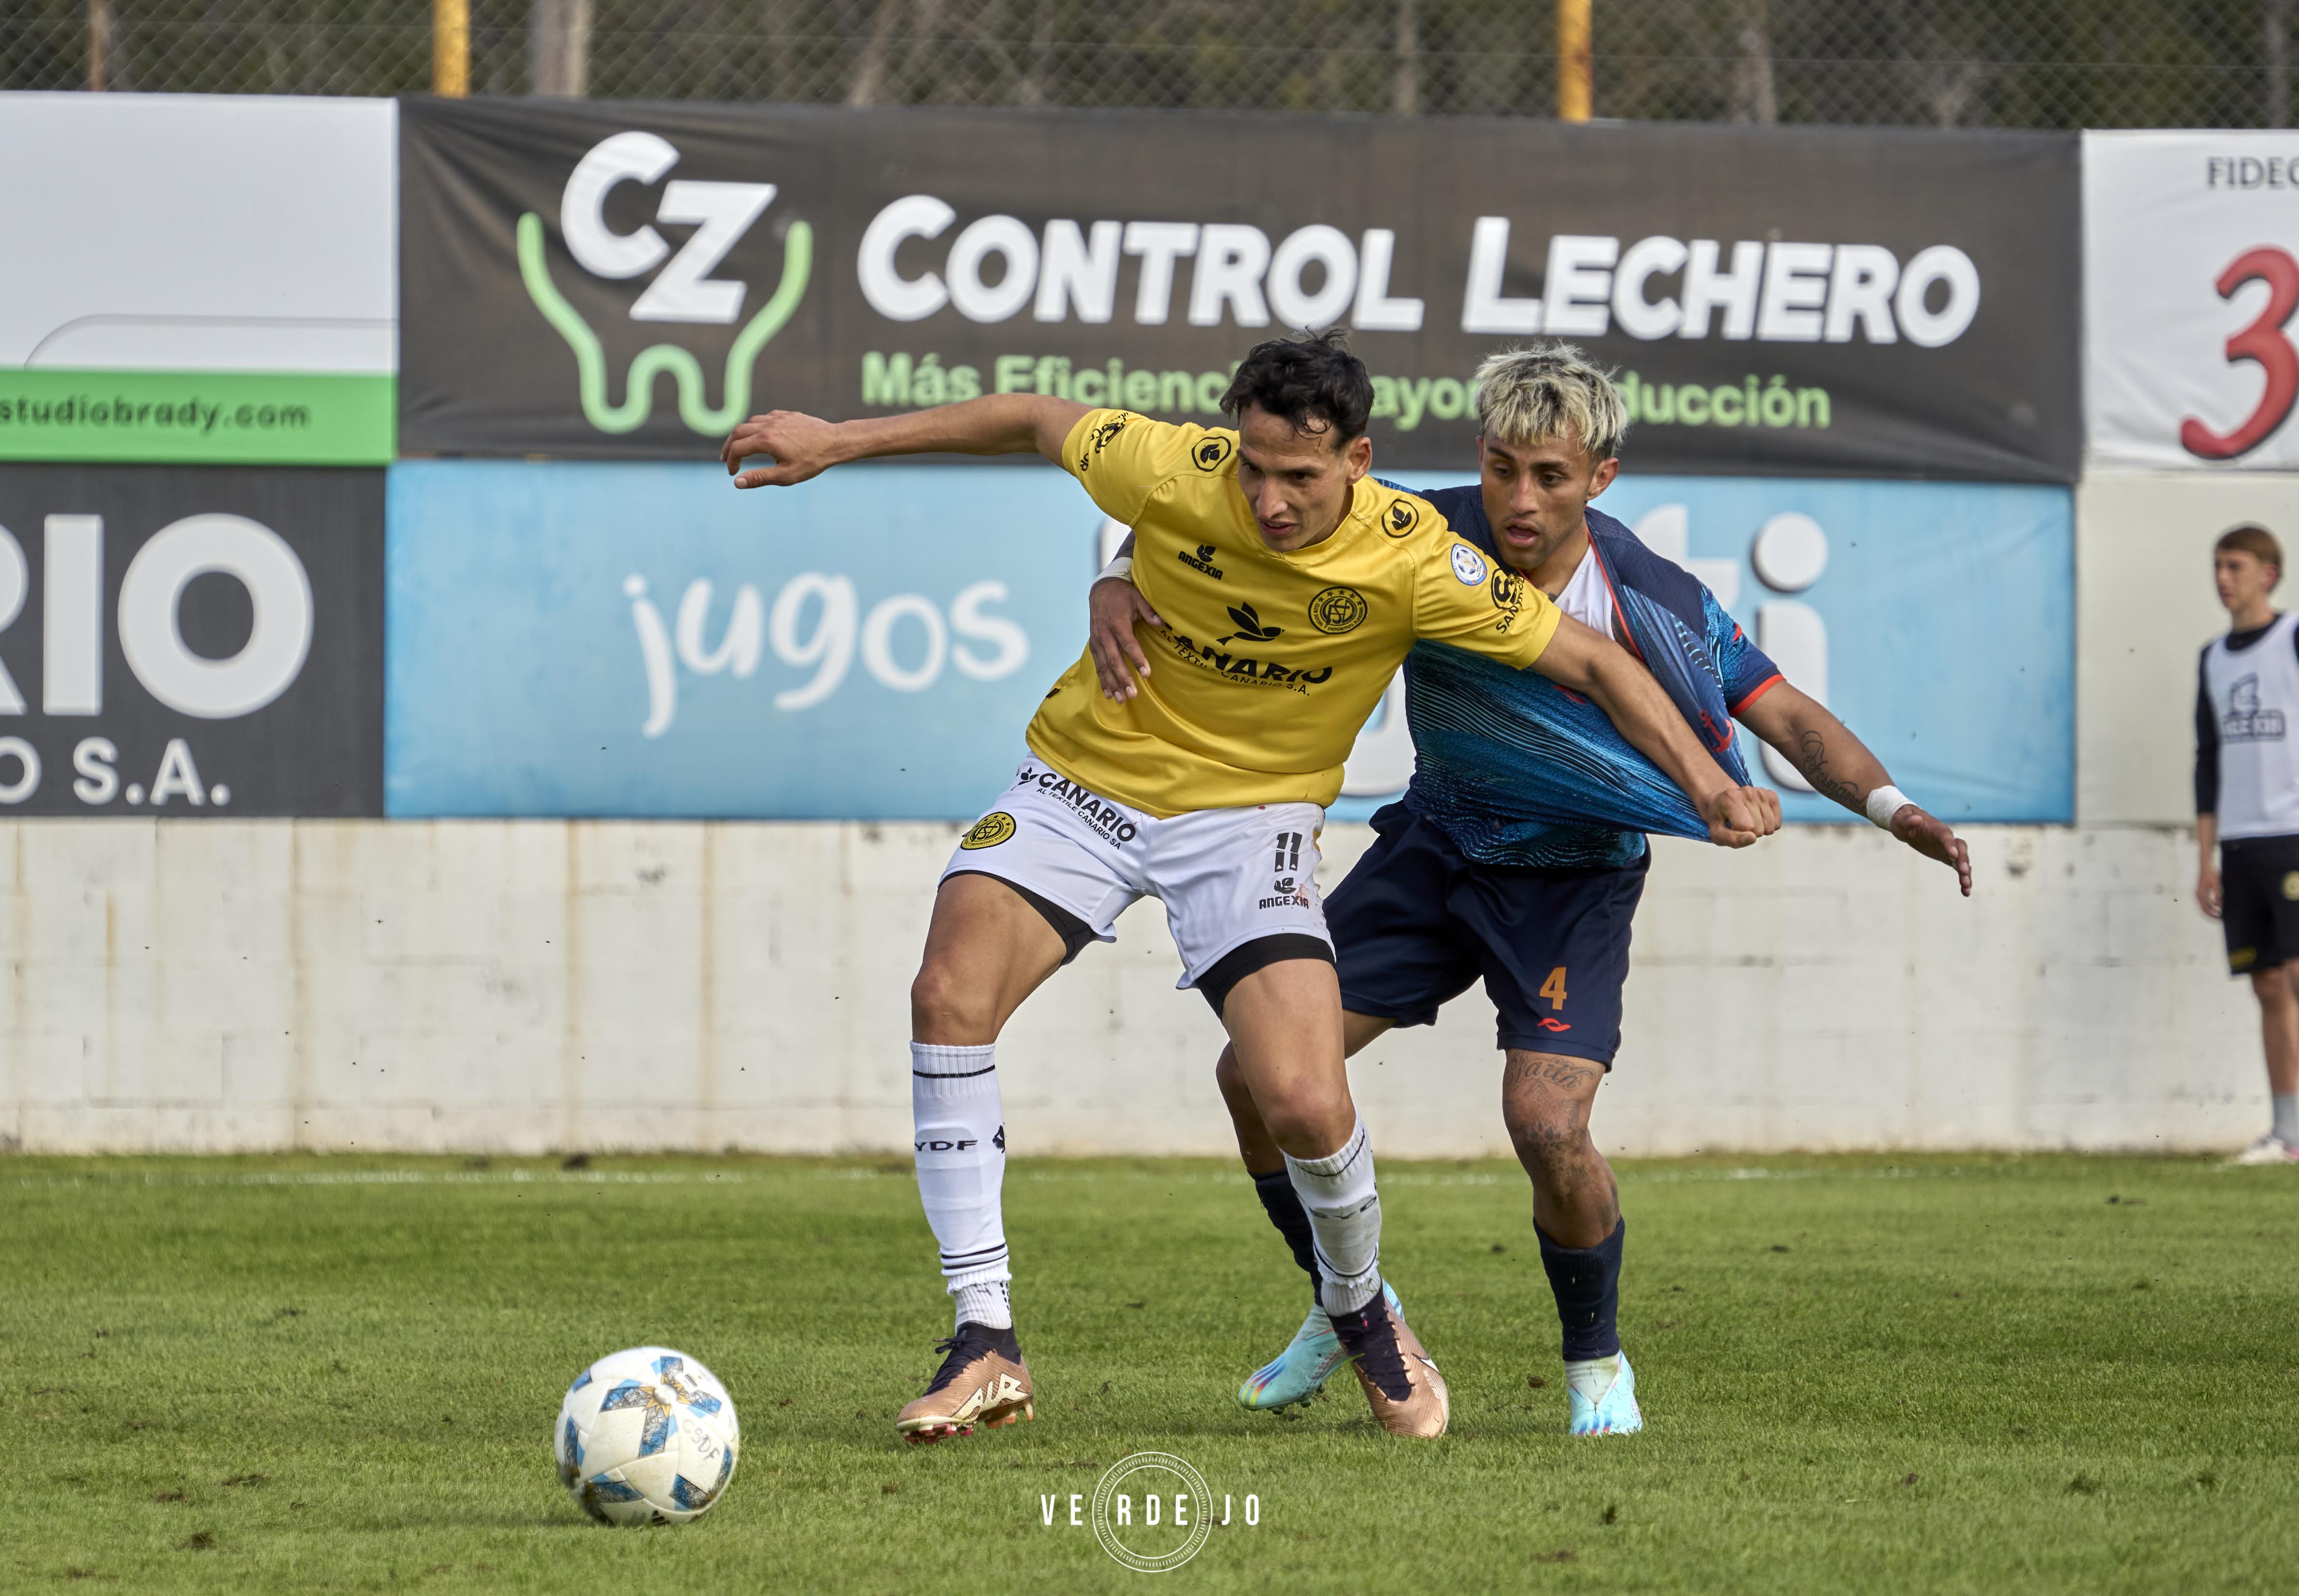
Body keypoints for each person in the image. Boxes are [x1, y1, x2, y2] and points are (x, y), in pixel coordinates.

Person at [723, 331, 1776, 1444]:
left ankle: (1365, 1310)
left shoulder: (1415, 554)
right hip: (1085, 779)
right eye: (1252, 467)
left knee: (1304, 1102)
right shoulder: (1172, 466)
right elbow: (1032, 417)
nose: (1268, 500)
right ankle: (985, 1339)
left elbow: (1598, 662)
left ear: (1358, 460)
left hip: (1249, 823)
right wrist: (842, 440)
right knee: (946, 997)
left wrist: (1707, 782)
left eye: (1300, 477)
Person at [1087, 342, 1972, 1436]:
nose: (1519, 496)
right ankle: (1351, 1306)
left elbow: (1782, 714)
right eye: (1502, 466)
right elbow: (1213, 504)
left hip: (1573, 881)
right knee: (1253, 1078)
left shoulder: (1648, 597)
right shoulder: (1408, 526)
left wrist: (1892, 807)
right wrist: (1117, 575)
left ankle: (1596, 1362)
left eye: (1549, 475)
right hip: (1434, 846)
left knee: (1546, 1123)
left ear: (1598, 476)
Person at [2194, 523, 2299, 1165]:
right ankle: (2285, 1134)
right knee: (2265, 983)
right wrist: (2203, 857)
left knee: (2297, 972)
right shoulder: (2211, 658)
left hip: (2293, 834)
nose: (2222, 578)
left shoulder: (2293, 638)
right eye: (2216, 566)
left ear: (2268, 573)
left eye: (2234, 565)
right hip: (2240, 841)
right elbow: (2206, 760)